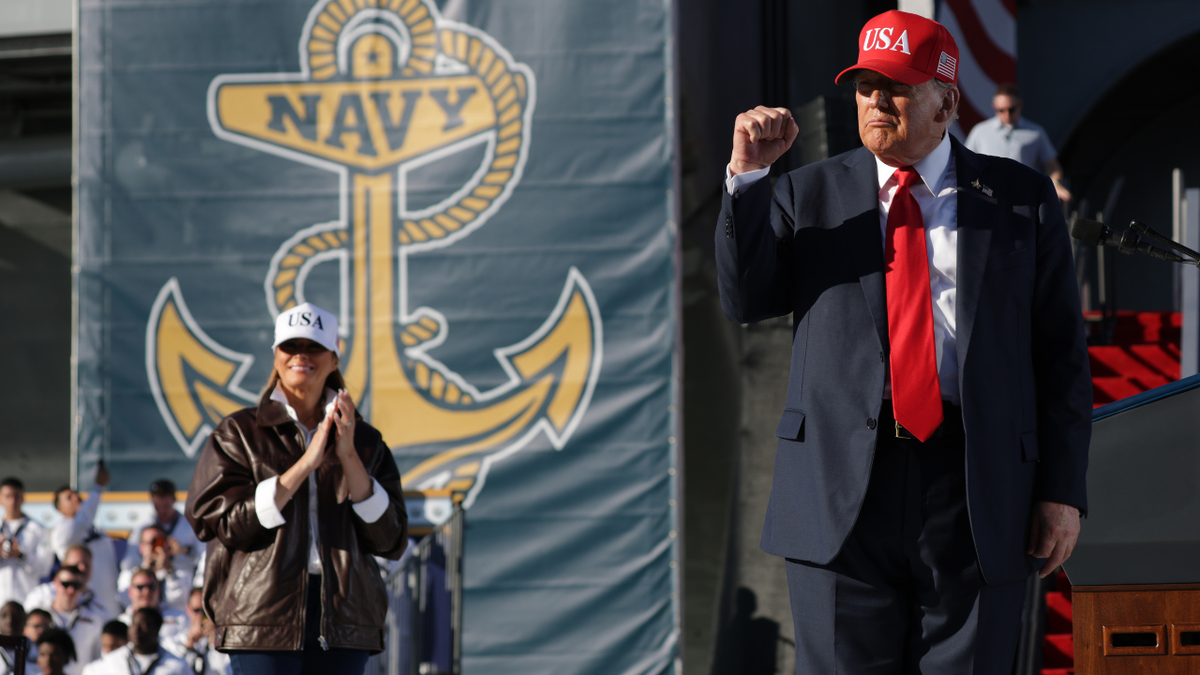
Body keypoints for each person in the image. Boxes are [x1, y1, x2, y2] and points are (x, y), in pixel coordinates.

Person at [716, 10, 1091, 673]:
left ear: (946, 101)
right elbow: (746, 299)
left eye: (894, 87)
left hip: (975, 489)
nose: (875, 102)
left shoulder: (1021, 199)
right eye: (864, 87)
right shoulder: (809, 193)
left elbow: (1059, 352)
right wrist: (748, 179)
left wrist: (1061, 489)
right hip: (840, 494)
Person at [186, 302, 408, 675]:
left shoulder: (367, 441)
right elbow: (221, 523)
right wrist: (307, 462)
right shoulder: (239, 432)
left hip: (344, 617)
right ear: (276, 356)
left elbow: (390, 539)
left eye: (314, 347)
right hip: (260, 614)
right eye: (291, 347)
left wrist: (349, 455)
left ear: (334, 359)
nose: (301, 356)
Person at [964, 83, 1072, 203]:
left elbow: (1052, 166)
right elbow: (966, 163)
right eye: (1001, 110)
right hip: (988, 199)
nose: (1007, 115)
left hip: (1024, 199)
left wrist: (1055, 184)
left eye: (1011, 110)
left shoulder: (1035, 132)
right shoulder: (980, 131)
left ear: (1020, 105)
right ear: (994, 107)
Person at [53, 465, 121, 618]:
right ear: (60, 509)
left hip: (110, 604)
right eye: (69, 498)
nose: (76, 498)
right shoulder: (63, 532)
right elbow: (83, 520)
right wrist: (98, 487)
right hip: (87, 608)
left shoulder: (94, 530)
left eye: (76, 494)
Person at [119, 481, 199, 611]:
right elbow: (128, 564)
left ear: (174, 500)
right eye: (158, 506)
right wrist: (146, 567)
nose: (162, 511)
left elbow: (203, 557)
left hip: (180, 581)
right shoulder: (142, 528)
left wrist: (182, 552)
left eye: (166, 506)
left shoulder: (190, 527)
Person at [35, 566, 104, 675]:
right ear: (55, 583)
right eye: (66, 584)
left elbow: (98, 658)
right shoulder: (39, 616)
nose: (71, 590)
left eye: (76, 585)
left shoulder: (94, 619)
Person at [0, 478, 54, 607]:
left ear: (23, 498)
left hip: (26, 600)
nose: (12, 501)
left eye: (16, 496)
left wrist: (20, 555)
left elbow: (45, 568)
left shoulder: (38, 529)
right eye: (7, 496)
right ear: (1, 499)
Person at [86, 609, 187, 675]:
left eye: (143, 625)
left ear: (156, 629)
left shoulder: (177, 665)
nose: (136, 629)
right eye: (133, 623)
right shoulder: (113, 660)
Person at [26, 546, 110, 621]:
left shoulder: (98, 609)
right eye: (77, 564)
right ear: (64, 565)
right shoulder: (40, 597)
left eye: (86, 565)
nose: (82, 568)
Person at [116, 528, 190, 612]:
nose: (153, 547)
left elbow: (181, 601)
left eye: (158, 542)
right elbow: (124, 601)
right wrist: (146, 571)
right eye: (149, 543)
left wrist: (169, 570)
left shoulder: (180, 573)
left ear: (167, 545)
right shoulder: (129, 574)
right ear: (141, 548)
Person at [163, 590, 228, 675]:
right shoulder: (175, 642)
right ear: (188, 609)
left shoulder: (222, 642)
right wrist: (189, 646)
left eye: (205, 611)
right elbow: (173, 669)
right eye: (197, 610)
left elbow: (226, 671)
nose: (201, 616)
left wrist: (214, 642)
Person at [114, 571, 186, 648]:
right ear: (130, 591)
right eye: (140, 587)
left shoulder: (180, 618)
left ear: (159, 590)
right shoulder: (120, 623)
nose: (147, 592)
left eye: (152, 587)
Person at [0, 601, 26, 675]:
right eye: (4, 616)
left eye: (15, 616)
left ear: (25, 619)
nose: (9, 621)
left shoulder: (39, 651)